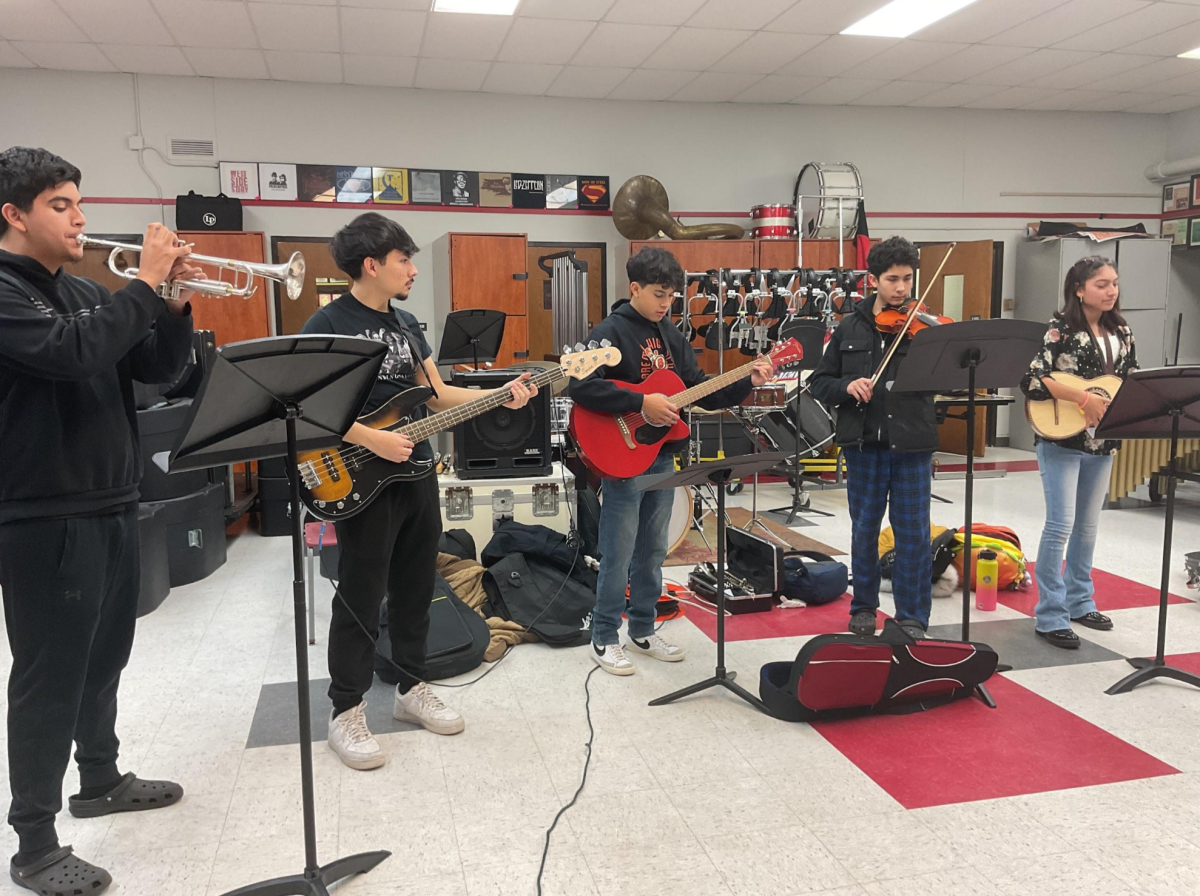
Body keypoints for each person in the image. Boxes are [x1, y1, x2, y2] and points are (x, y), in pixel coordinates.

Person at [0, 146, 199, 895]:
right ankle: (35, 843)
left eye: (79, 202)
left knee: (103, 659)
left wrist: (171, 304)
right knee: (50, 676)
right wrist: (145, 282)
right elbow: (72, 356)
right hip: (44, 513)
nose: (81, 218)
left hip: (112, 499)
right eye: (60, 204)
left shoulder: (83, 289)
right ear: (13, 215)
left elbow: (152, 368)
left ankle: (101, 777)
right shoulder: (6, 293)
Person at [301, 212, 537, 770]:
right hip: (360, 473)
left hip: (416, 474)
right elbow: (309, 409)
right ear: (372, 265)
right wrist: (370, 440)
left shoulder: (407, 324)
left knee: (415, 585)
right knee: (360, 591)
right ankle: (346, 710)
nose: (412, 269)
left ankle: (411, 687)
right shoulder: (327, 323)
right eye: (404, 259)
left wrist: (499, 394)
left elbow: (433, 395)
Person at [570, 247, 773, 675]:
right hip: (623, 457)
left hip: (661, 456)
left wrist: (744, 382)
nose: (666, 303)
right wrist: (640, 401)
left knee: (653, 550)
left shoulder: (670, 335)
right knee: (618, 550)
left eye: (672, 297)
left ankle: (642, 628)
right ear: (635, 288)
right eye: (659, 294)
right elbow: (580, 386)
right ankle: (604, 636)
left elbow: (700, 388)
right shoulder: (609, 332)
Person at [810, 236, 938, 640]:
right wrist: (848, 387)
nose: (902, 288)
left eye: (908, 279)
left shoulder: (926, 328)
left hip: (911, 444)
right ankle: (864, 606)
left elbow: (941, 380)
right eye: (893, 279)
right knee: (864, 529)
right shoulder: (849, 325)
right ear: (873, 280)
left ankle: (913, 615)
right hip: (863, 443)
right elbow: (819, 383)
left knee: (914, 533)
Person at [1020, 256, 1136, 649]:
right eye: (1102, 284)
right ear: (1079, 289)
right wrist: (1082, 397)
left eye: (1114, 283)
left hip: (1103, 441)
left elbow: (1127, 380)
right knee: (1060, 526)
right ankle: (1050, 615)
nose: (1111, 291)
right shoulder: (1060, 329)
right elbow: (1034, 378)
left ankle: (1079, 601)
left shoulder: (1121, 330)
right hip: (1061, 438)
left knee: (1088, 527)